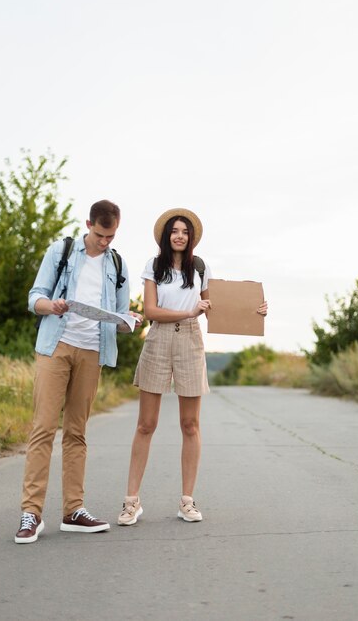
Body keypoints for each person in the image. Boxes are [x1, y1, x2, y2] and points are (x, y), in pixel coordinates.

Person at [117, 208, 268, 526]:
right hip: (158, 340)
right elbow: (151, 311)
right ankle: (131, 502)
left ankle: (187, 500)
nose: (180, 236)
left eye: (185, 231)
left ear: (192, 237)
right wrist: (188, 311)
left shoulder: (200, 267)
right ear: (166, 235)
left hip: (190, 341)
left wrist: (255, 312)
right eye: (175, 230)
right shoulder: (153, 266)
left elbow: (216, 312)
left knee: (190, 425)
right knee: (146, 424)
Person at [15, 199, 141, 544]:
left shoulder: (118, 264)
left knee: (77, 432)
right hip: (56, 346)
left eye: (111, 236)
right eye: (101, 235)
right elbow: (34, 297)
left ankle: (73, 510)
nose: (105, 242)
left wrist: (130, 321)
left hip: (92, 351)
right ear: (88, 225)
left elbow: (120, 312)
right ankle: (32, 513)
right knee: (43, 428)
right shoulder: (62, 250)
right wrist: (50, 305)